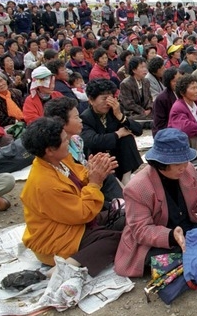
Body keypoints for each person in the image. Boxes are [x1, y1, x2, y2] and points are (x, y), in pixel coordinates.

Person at [114, 128, 197, 277]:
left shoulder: (188, 169)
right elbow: (141, 229)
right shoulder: (137, 188)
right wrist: (171, 235)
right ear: (161, 162)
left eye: (186, 160)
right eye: (178, 162)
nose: (184, 166)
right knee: (171, 255)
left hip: (187, 230)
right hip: (162, 239)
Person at [20, 117, 122, 276]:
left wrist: (93, 171)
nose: (68, 141)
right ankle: (59, 269)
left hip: (71, 223)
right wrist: (95, 182)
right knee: (118, 239)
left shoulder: (59, 159)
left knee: (125, 213)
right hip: (57, 238)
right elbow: (82, 214)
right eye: (64, 140)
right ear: (49, 150)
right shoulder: (45, 183)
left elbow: (79, 177)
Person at [80, 78, 143, 185]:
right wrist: (118, 134)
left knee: (127, 139)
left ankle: (126, 177)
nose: (108, 103)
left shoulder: (114, 110)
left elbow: (138, 130)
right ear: (91, 100)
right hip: (99, 155)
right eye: (104, 99)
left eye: (111, 98)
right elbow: (92, 141)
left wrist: (120, 116)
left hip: (118, 155)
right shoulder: (86, 117)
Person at [118, 56, 153, 124]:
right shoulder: (125, 84)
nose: (145, 69)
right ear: (134, 70)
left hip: (145, 111)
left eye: (145, 67)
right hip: (132, 112)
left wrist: (149, 109)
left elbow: (149, 98)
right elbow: (128, 104)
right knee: (136, 118)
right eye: (142, 67)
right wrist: (143, 112)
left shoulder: (146, 81)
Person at [152, 67, 182, 136]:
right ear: (168, 82)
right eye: (175, 81)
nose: (178, 83)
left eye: (180, 80)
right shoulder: (162, 99)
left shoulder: (183, 93)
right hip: (166, 132)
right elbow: (159, 124)